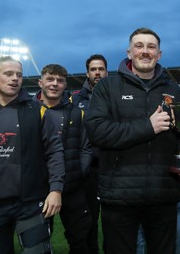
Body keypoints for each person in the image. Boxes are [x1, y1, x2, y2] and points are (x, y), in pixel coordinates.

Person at [85, 27, 180, 254]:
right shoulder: (107, 87)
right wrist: (147, 127)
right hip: (119, 195)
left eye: (151, 47)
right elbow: (97, 131)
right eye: (139, 46)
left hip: (163, 194)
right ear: (129, 52)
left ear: (159, 54)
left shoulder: (174, 90)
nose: (145, 51)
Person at [0, 56, 65, 253]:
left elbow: (54, 151)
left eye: (19, 75)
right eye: (8, 74)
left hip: (30, 202)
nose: (15, 79)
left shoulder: (38, 110)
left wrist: (56, 189)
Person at [34, 64, 93, 254]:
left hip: (73, 188)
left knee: (80, 240)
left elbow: (86, 147)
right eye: (50, 79)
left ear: (65, 84)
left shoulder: (77, 113)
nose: (54, 84)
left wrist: (78, 171)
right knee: (39, 242)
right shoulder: (29, 112)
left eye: (59, 80)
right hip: (39, 189)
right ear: (40, 82)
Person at [72, 54, 109, 254]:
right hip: (87, 169)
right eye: (93, 69)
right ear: (87, 73)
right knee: (89, 219)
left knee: (114, 220)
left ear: (106, 72)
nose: (97, 73)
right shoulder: (76, 98)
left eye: (100, 69)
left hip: (112, 166)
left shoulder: (115, 95)